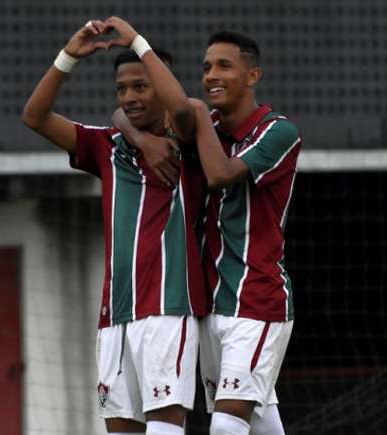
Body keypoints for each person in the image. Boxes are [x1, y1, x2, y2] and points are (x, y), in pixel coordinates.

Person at [21, 17, 207, 435]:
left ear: (162, 83)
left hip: (168, 307)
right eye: (122, 89)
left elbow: (180, 107)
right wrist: (69, 56)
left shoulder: (191, 141)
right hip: (114, 317)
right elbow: (34, 116)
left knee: (164, 430)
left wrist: (139, 42)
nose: (129, 97)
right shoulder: (108, 146)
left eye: (141, 87)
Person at [113, 30, 301, 435]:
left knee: (227, 427)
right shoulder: (205, 123)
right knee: (261, 420)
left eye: (224, 66)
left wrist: (135, 40)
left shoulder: (278, 132)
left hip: (257, 300)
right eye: (205, 67)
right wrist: (142, 139)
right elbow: (122, 114)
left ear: (253, 76)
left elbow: (220, 175)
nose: (211, 75)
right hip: (210, 304)